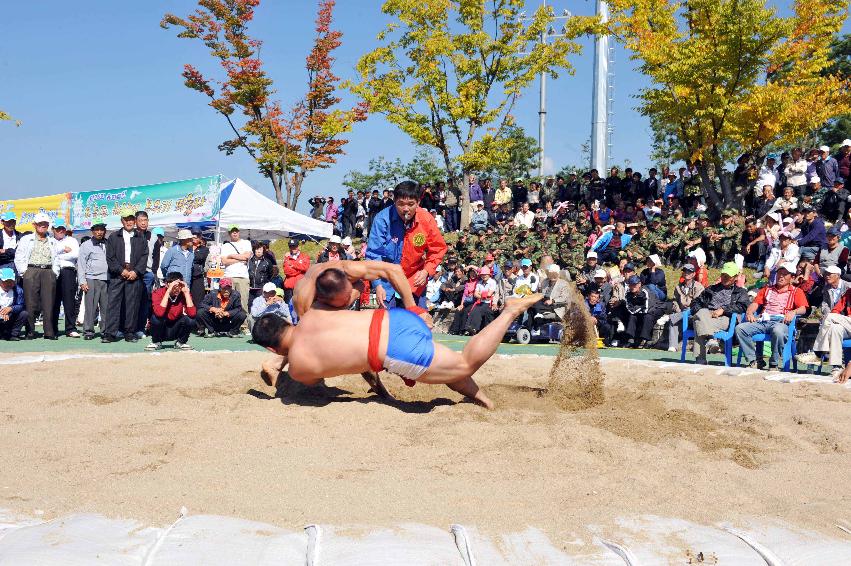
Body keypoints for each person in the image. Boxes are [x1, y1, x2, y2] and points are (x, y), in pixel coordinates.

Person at [252, 262, 542, 409]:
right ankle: (485, 401)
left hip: (394, 349)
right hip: (395, 317)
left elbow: (330, 372)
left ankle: (509, 313)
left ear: (274, 350)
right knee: (449, 367)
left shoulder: (301, 368)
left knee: (465, 363)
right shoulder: (311, 308)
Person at [366, 180, 447, 308]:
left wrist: (426, 271)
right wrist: (377, 285)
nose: (405, 209)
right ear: (394, 201)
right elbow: (373, 254)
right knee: (388, 323)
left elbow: (437, 249)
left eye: (411, 204)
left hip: (415, 279)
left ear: (418, 202)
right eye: (401, 204)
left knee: (419, 321)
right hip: (388, 282)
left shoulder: (426, 219)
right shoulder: (382, 219)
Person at [736, 261, 808, 370]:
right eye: (779, 273)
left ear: (792, 277)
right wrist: (749, 312)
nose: (781, 276)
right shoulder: (767, 289)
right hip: (763, 320)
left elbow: (803, 309)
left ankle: (774, 363)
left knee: (778, 331)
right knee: (740, 328)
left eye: (785, 274)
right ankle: (754, 360)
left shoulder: (796, 291)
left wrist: (793, 312)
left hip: (781, 321)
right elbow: (755, 303)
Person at [686, 262, 749, 364]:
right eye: (723, 275)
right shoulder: (711, 289)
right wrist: (703, 313)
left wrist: (724, 310)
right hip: (707, 315)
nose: (725, 277)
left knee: (698, 322)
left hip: (725, 318)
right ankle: (712, 339)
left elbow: (743, 306)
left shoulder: (741, 292)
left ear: (735, 277)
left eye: (728, 276)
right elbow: (696, 302)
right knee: (701, 315)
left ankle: (700, 359)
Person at [796, 265, 851, 379]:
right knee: (834, 328)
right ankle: (837, 367)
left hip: (847, 321)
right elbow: (836, 308)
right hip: (846, 323)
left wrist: (830, 317)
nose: (827, 276)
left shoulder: (847, 287)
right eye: (826, 273)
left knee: (830, 317)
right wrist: (831, 318)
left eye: (830, 274)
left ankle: (817, 354)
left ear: (838, 276)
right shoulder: (848, 293)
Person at [103, 207, 148, 343]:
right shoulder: (113, 237)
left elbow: (144, 256)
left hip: (134, 275)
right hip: (118, 275)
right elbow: (110, 257)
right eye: (126, 219)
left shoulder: (140, 237)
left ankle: (129, 332)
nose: (129, 222)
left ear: (134, 221)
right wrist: (120, 270)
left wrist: (136, 271)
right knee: (113, 305)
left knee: (132, 305)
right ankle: (110, 333)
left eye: (131, 219)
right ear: (122, 221)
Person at [14, 213, 60, 340]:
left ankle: (49, 332)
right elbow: (19, 256)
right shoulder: (26, 239)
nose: (43, 226)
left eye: (45, 223)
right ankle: (30, 331)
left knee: (49, 303)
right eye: (40, 223)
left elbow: (56, 258)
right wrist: (24, 272)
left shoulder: (52, 241)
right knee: (31, 303)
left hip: (48, 271)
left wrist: (55, 272)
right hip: (31, 271)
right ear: (34, 225)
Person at [76, 218, 109, 340]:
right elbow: (81, 264)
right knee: (91, 307)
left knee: (106, 307)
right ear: (92, 231)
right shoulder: (86, 245)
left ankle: (105, 330)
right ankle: (88, 331)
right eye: (97, 229)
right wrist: (82, 281)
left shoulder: (108, 243)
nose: (100, 232)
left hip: (106, 279)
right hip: (91, 278)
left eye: (102, 229)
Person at [49, 218, 80, 338]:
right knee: (53, 301)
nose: (61, 231)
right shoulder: (49, 240)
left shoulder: (72, 240)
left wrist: (57, 256)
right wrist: (62, 251)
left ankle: (70, 328)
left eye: (62, 229)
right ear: (53, 230)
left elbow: (75, 254)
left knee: (69, 301)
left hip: (68, 271)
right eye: (58, 229)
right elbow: (50, 255)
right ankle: (53, 328)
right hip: (53, 272)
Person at [666, 263, 704, 352]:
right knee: (674, 318)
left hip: (693, 314)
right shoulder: (678, 287)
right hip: (681, 313)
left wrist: (688, 311)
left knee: (673, 318)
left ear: (694, 274)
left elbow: (698, 304)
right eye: (685, 271)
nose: (687, 273)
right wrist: (678, 310)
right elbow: (675, 301)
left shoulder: (699, 287)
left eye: (689, 271)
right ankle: (672, 345)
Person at [623, 274, 664, 348]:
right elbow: (629, 308)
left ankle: (647, 340)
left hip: (657, 307)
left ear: (639, 284)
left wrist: (637, 309)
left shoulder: (646, 292)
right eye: (630, 285)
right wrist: (639, 309)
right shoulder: (628, 293)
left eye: (634, 285)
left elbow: (647, 308)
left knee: (648, 316)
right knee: (632, 316)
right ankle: (631, 339)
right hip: (642, 310)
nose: (632, 287)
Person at [220, 225, 252, 316]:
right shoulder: (225, 245)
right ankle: (229, 324)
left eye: (236, 231)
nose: (235, 233)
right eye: (232, 231)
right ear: (229, 233)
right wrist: (240, 259)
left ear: (239, 232)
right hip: (228, 277)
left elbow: (246, 256)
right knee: (228, 303)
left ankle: (244, 326)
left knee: (243, 303)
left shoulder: (246, 243)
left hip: (243, 277)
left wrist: (230, 255)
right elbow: (224, 261)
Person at [464, 266, 499, 335]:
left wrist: (481, 294)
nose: (484, 276)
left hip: (489, 303)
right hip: (481, 302)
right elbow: (475, 294)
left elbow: (489, 294)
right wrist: (483, 295)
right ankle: (469, 328)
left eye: (485, 274)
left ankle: (474, 328)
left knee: (479, 310)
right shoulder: (479, 283)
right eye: (482, 274)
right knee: (473, 310)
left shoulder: (492, 282)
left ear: (489, 274)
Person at [0, 267, 27, 341]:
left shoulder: (18, 290)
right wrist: (2, 312)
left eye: (11, 281)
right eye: (6, 281)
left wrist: (11, 308)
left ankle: (13, 334)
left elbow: (21, 305)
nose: (9, 284)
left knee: (24, 313)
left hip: (10, 315)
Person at [282, 239, 310, 303]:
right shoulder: (287, 258)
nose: (293, 248)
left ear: (298, 247)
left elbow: (306, 268)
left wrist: (293, 265)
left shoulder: (304, 256)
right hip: (289, 288)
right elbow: (287, 271)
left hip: (301, 287)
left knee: (301, 307)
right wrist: (300, 271)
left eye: (294, 246)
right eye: (291, 246)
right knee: (288, 307)